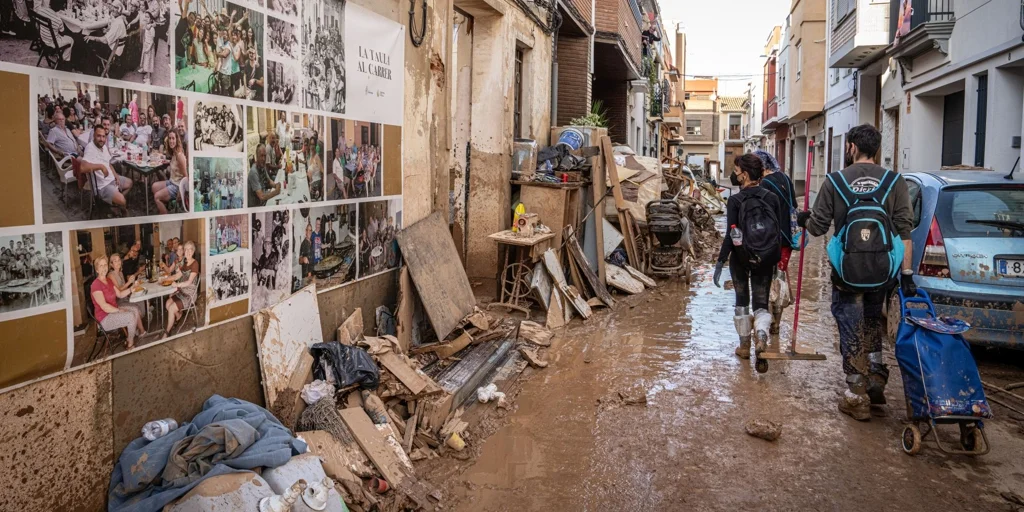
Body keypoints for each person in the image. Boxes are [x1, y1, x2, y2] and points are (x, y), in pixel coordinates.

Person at [797, 124, 914, 421]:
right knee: (873, 319)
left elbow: (819, 228)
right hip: (883, 272)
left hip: (846, 273)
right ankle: (876, 376)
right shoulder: (895, 181)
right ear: (876, 150)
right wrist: (908, 273)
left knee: (850, 324)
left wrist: (803, 219)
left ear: (851, 148)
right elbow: (904, 231)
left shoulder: (835, 181)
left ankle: (856, 393)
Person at [713, 154, 783, 360]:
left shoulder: (735, 200)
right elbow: (778, 233)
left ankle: (744, 347)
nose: (734, 176)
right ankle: (761, 335)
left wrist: (720, 261)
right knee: (761, 302)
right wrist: (776, 260)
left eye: (735, 172)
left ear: (744, 175)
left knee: (742, 301)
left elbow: (731, 234)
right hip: (767, 257)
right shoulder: (772, 198)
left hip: (741, 257)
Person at [754, 149, 797, 334]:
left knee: (765, 279)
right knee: (779, 277)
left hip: (769, 239)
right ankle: (776, 323)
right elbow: (794, 205)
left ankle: (766, 319)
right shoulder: (786, 179)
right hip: (787, 239)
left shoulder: (763, 184)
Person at [90, 255, 146, 350]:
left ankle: (132, 337)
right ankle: (130, 344)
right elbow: (104, 307)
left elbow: (119, 294)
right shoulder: (95, 285)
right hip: (105, 318)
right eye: (101, 266)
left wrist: (131, 289)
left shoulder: (108, 281)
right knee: (130, 316)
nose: (104, 268)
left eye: (105, 265)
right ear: (97, 270)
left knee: (135, 310)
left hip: (113, 311)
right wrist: (119, 310)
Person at [79, 125, 133, 213]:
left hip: (111, 179)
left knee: (130, 183)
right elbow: (82, 168)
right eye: (99, 136)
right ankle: (119, 205)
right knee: (123, 200)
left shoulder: (103, 146)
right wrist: (101, 166)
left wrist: (116, 176)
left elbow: (108, 163)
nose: (101, 139)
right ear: (94, 136)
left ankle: (114, 204)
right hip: (103, 186)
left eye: (103, 136)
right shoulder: (90, 148)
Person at [162, 241, 199, 336]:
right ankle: (177, 317)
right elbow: (177, 276)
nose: (187, 251)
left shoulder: (195, 263)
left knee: (171, 309)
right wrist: (164, 279)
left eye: (190, 249)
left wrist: (177, 285)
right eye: (186, 249)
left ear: (193, 251)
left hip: (189, 295)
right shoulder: (185, 264)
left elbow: (189, 282)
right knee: (167, 303)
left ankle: (166, 333)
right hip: (182, 291)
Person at [152, 130, 187, 214]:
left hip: (177, 186)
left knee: (156, 197)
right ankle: (163, 206)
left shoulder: (179, 155)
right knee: (154, 186)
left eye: (173, 138)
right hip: (172, 181)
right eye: (170, 138)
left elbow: (186, 177)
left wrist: (181, 191)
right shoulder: (174, 152)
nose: (171, 141)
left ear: (177, 139)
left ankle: (166, 216)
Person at [108, 253, 145, 319]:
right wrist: (129, 282)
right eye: (115, 261)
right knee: (136, 306)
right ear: (111, 264)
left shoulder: (121, 273)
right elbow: (119, 290)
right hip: (119, 302)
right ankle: (137, 322)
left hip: (125, 297)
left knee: (141, 299)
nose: (118, 262)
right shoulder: (111, 275)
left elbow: (125, 288)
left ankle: (140, 319)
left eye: (119, 260)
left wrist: (133, 283)